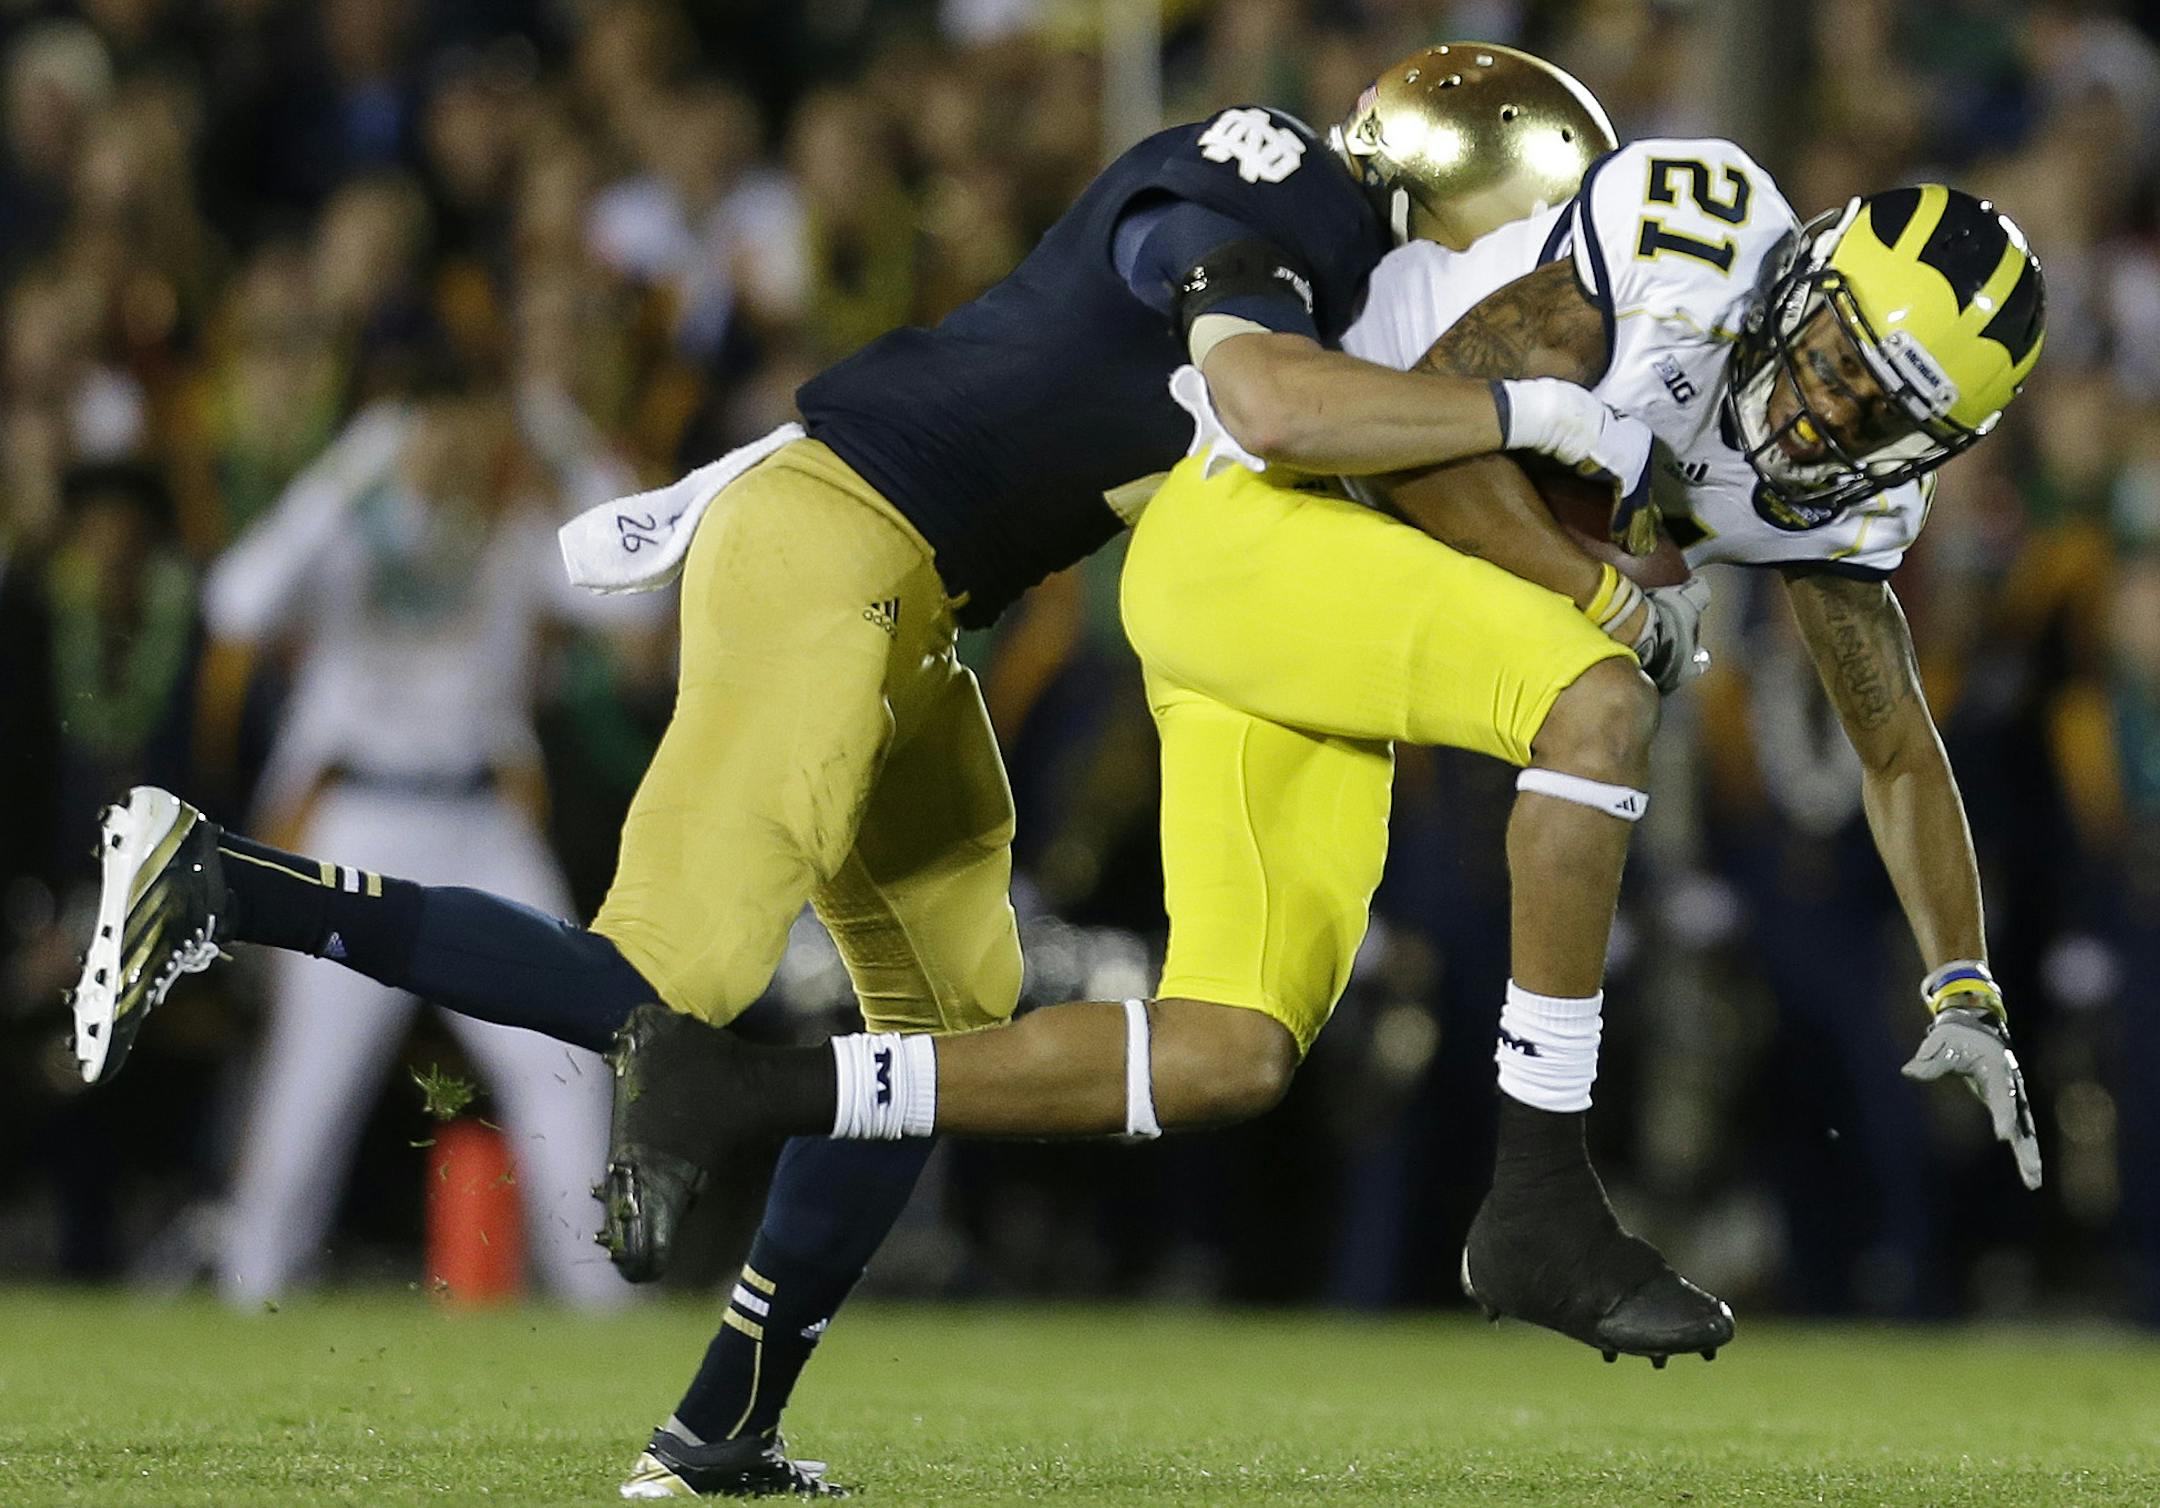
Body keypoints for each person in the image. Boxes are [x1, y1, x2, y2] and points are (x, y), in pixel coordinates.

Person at [73, 46, 1661, 1499]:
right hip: (838, 554)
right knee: (660, 988)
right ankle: (221, 879)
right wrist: (1538, 407)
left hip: (907, 594)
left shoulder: (1303, 216)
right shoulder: (1290, 206)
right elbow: (1264, 396)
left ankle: (720, 1433)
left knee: (931, 1045)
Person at [590, 140, 2047, 1372]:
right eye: (1843, 359)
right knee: (1599, 700)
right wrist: (1596, 590)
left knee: (1229, 1052)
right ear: (1806, 278)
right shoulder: (1691, 250)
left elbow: (1897, 746)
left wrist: (1964, 979)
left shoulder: (1843, 507)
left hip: (1308, 614)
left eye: (1883, 413)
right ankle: (1541, 1198)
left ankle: (734, 1094)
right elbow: (1425, 431)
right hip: (1271, 516)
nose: (1829, 412)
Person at [199, 369, 643, 1308]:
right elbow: (235, 602)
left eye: (473, 427)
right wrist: (352, 467)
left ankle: (603, 1299)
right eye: (435, 428)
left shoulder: (515, 531)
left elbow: (638, 602)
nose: (457, 450)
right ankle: (252, 1288)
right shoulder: (348, 527)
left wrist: (564, 439)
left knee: (563, 1054)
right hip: (360, 823)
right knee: (313, 1080)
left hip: (483, 821)